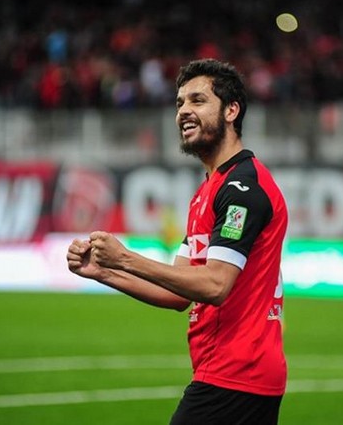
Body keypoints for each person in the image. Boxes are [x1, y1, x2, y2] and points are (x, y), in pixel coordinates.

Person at [66, 58, 289, 425]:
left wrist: (124, 258)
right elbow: (177, 295)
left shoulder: (242, 188)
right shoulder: (208, 191)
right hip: (229, 373)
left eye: (198, 100)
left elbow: (215, 285)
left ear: (231, 111)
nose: (184, 111)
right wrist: (104, 272)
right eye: (180, 103)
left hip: (236, 374)